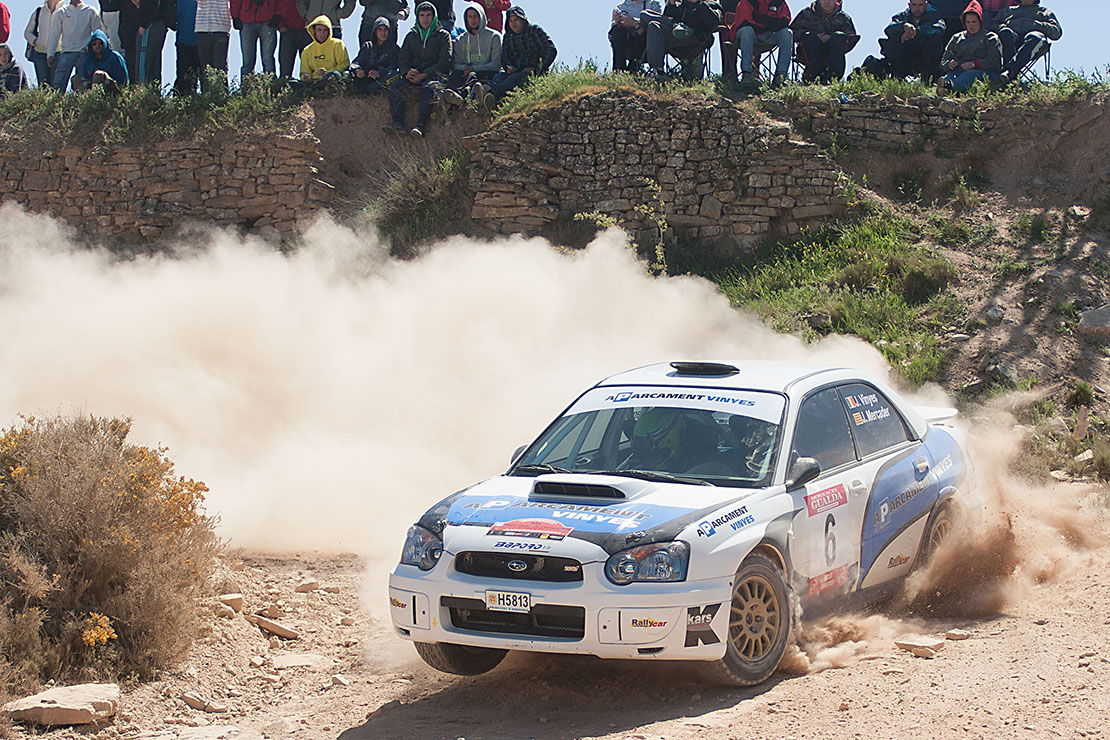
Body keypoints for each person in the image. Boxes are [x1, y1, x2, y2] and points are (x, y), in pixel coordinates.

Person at [384, 1, 450, 136]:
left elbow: (445, 61)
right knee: (395, 87)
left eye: (428, 15)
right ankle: (398, 123)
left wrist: (425, 74)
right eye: (422, 15)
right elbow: (402, 59)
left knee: (430, 88)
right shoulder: (411, 36)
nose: (425, 19)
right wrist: (406, 72)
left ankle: (420, 126)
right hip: (414, 74)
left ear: (434, 16)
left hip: (434, 75)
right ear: (417, 17)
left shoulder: (443, 35)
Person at [487, 6, 554, 101]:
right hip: (516, 70)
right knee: (498, 77)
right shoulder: (508, 36)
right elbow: (505, 56)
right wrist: (508, 67)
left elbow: (551, 49)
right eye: (510, 20)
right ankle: (493, 101)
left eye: (516, 19)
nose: (513, 23)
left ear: (523, 20)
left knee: (512, 80)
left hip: (533, 72)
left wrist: (538, 68)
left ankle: (490, 93)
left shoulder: (534, 30)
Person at [642, 0, 718, 80]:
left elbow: (714, 22)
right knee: (649, 21)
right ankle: (658, 71)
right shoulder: (681, 4)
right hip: (675, 38)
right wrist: (671, 3)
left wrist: (697, 2)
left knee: (652, 21)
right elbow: (665, 21)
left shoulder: (711, 5)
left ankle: (679, 26)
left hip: (694, 40)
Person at [937, 0, 1001, 93]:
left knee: (969, 74)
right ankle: (945, 88)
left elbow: (995, 63)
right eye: (968, 22)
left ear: (980, 21)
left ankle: (949, 87)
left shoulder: (990, 38)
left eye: (974, 22)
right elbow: (944, 61)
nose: (971, 25)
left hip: (984, 72)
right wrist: (949, 64)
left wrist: (975, 64)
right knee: (950, 75)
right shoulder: (956, 38)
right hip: (959, 70)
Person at [990, 0, 1060, 83]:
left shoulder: (1044, 11)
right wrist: (1004, 27)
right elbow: (992, 25)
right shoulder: (1008, 11)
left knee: (1034, 37)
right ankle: (1010, 74)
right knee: (1006, 32)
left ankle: (1010, 71)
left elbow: (1057, 32)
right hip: (1012, 40)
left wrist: (1038, 25)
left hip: (1032, 42)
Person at [726, 0, 792, 89]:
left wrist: (759, 18)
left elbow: (785, 20)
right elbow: (746, 21)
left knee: (787, 33)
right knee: (747, 30)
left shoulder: (779, 2)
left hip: (768, 35)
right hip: (748, 37)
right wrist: (772, 22)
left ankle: (780, 77)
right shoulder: (746, 1)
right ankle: (747, 75)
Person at [790, 0, 856, 83]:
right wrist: (815, 37)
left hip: (833, 53)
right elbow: (792, 32)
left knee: (839, 36)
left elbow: (852, 38)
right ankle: (814, 75)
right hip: (808, 52)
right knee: (810, 36)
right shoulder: (807, 13)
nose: (827, 2)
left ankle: (834, 77)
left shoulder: (843, 17)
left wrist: (830, 38)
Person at [880, 0, 945, 81]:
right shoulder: (901, 16)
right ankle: (899, 78)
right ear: (909, 5)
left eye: (920, 5)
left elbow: (940, 29)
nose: (917, 8)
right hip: (905, 52)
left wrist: (914, 32)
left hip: (925, 54)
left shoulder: (933, 16)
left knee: (935, 40)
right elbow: (889, 29)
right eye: (914, 5)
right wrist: (903, 26)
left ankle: (927, 80)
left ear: (926, 5)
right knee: (893, 40)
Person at [446, 1, 498, 102]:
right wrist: (465, 68)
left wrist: (474, 68)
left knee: (474, 77)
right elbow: (456, 64)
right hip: (465, 73)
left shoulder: (494, 37)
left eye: (475, 16)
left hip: (486, 72)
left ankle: (470, 97)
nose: (473, 20)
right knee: (455, 75)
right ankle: (452, 98)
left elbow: (496, 64)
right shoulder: (461, 40)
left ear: (481, 17)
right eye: (470, 16)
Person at [47, 0, 102, 91]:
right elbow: (54, 34)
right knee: (58, 86)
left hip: (84, 53)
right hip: (66, 53)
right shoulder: (62, 12)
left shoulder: (90, 11)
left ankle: (82, 104)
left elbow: (98, 33)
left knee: (83, 86)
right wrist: (50, 54)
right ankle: (57, 103)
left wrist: (97, 52)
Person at [350, 15, 398, 92]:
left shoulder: (394, 48)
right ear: (375, 31)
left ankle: (372, 89)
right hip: (366, 78)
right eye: (380, 29)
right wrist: (357, 70)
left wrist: (379, 73)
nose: (383, 32)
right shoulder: (367, 46)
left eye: (385, 29)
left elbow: (393, 66)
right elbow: (356, 63)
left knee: (395, 74)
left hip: (383, 79)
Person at [232, 0, 279, 78]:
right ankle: (246, 87)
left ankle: (271, 86)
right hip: (246, 21)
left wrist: (278, 15)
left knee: (268, 59)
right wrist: (235, 16)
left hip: (268, 20)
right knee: (247, 60)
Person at [609, 0, 659, 73]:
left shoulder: (653, 4)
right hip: (626, 43)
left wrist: (634, 23)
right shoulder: (620, 8)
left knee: (642, 32)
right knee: (617, 31)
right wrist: (618, 22)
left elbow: (657, 25)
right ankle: (619, 70)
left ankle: (633, 68)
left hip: (646, 44)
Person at [298, 13, 349, 85]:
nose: (322, 33)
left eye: (325, 30)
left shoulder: (337, 44)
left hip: (332, 80)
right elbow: (304, 73)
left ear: (329, 31)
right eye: (319, 30)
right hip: (314, 82)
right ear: (314, 30)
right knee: (291, 82)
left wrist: (326, 73)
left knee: (337, 74)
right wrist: (308, 77)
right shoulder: (307, 50)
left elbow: (344, 66)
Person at [23, 0, 63, 87]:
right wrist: (35, 41)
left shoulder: (65, 11)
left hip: (58, 53)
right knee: (43, 86)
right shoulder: (39, 11)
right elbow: (27, 32)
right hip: (40, 53)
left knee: (56, 86)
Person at [137, 0, 176, 86]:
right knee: (154, 62)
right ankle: (154, 93)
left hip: (151, 24)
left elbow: (151, 4)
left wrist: (144, 24)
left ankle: (141, 91)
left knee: (144, 59)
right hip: (160, 22)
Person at [195, 0, 231, 89]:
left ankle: (222, 94)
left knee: (220, 65)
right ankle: (206, 95)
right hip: (202, 29)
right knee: (205, 66)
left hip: (221, 27)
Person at [275, 0, 308, 78]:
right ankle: (284, 88)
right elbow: (275, 6)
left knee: (308, 69)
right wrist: (279, 25)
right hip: (287, 30)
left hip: (306, 30)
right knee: (285, 69)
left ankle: (310, 89)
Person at [174, 0, 201, 92]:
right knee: (183, 76)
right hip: (184, 40)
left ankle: (199, 101)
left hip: (202, 41)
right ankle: (181, 100)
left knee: (201, 74)